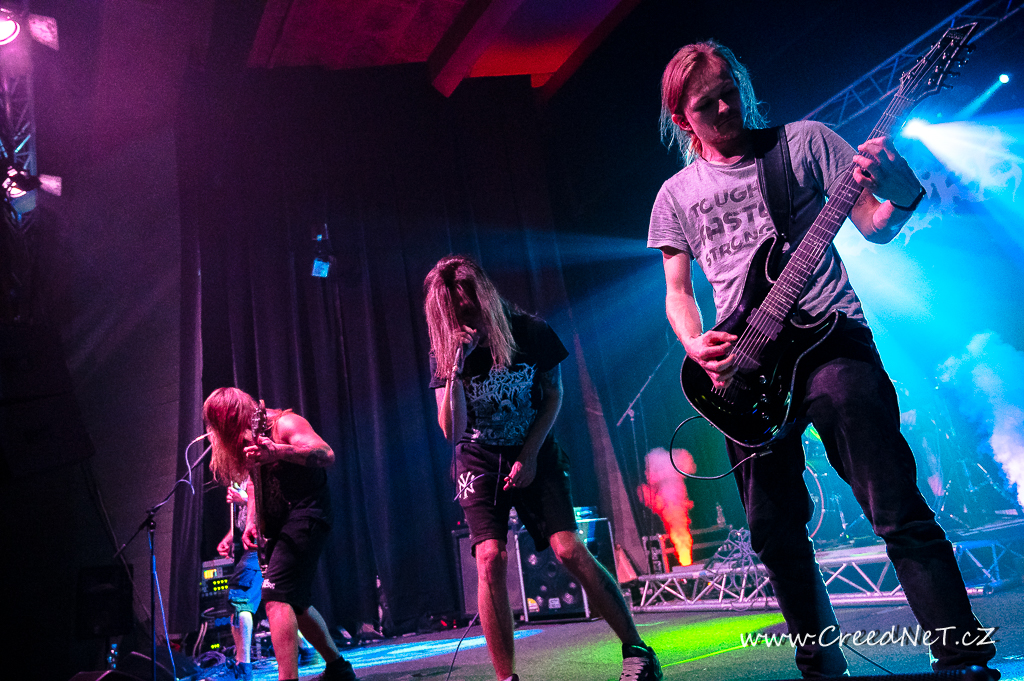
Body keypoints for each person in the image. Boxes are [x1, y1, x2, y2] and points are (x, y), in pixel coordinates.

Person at [649, 40, 998, 678]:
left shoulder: (805, 143)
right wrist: (694, 343)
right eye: (707, 104)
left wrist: (903, 191)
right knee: (773, 532)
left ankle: (961, 656)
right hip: (746, 366)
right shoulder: (675, 194)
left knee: (893, 503)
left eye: (730, 90)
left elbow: (875, 224)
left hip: (831, 337)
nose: (725, 107)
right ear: (682, 119)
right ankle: (821, 668)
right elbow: (677, 292)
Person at [424, 255, 662, 681]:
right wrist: (454, 371)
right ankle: (506, 678)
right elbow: (452, 431)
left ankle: (637, 649)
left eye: (472, 310)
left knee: (568, 548)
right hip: (478, 457)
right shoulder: (446, 354)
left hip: (534, 445)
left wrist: (530, 454)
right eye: (458, 316)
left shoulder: (531, 332)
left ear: (485, 300)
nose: (468, 322)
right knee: (489, 557)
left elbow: (553, 395)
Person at [204, 387, 357, 681]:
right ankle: (339, 669)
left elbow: (326, 454)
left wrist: (278, 451)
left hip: (307, 512)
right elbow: (254, 480)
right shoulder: (246, 440)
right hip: (278, 523)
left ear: (234, 415)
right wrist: (252, 519)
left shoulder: (284, 424)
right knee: (295, 601)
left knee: (274, 595)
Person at [216, 482, 262, 681]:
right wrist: (230, 536)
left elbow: (272, 504)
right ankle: (307, 649)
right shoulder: (240, 476)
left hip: (261, 540)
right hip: (255, 540)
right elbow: (245, 514)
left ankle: (242, 667)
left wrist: (244, 499)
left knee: (239, 597)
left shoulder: (257, 471)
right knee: (278, 598)